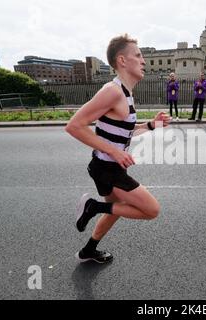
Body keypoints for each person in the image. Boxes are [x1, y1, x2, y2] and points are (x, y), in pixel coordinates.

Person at [65, 34, 171, 263]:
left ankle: (88, 251)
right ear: (122, 61)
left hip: (107, 167)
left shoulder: (125, 93)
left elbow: (123, 132)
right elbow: (74, 126)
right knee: (151, 210)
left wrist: (152, 125)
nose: (144, 61)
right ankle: (92, 206)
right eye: (138, 55)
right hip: (107, 168)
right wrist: (114, 152)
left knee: (114, 211)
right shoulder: (112, 91)